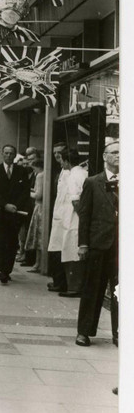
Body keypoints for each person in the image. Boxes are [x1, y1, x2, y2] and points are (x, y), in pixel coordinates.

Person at [74, 139, 119, 347]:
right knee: (92, 288)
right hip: (98, 244)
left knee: (121, 291)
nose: (119, 156)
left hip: (121, 246)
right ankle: (84, 331)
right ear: (105, 156)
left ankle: (119, 333)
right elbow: (84, 215)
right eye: (114, 152)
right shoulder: (93, 182)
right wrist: (83, 243)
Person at [0, 144, 32, 284]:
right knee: (1, 240)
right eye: (6, 153)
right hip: (0, 212)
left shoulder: (21, 171)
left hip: (15, 213)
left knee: (12, 242)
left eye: (11, 153)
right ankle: (0, 270)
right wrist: (5, 205)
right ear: (2, 154)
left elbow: (25, 191)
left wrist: (16, 206)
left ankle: (7, 269)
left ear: (14, 155)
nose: (8, 156)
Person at [48, 149, 87, 296]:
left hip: (73, 218)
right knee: (72, 250)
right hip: (71, 217)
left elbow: (75, 200)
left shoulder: (72, 175)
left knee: (71, 251)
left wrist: (83, 216)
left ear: (66, 161)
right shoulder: (83, 172)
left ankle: (74, 287)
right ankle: (73, 286)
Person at [22, 156, 45, 270]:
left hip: (39, 207)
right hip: (41, 207)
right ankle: (38, 262)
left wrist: (27, 192)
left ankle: (38, 263)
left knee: (37, 235)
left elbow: (38, 194)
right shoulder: (43, 175)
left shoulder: (40, 176)